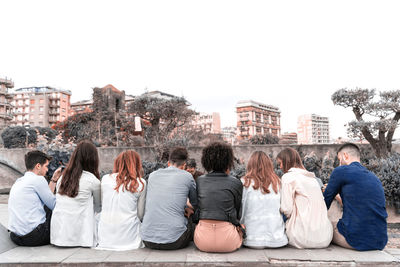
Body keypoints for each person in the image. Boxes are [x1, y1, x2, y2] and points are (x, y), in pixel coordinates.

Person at [323, 143, 388, 251]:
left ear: (345, 156)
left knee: (329, 226)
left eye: (339, 160)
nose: (339, 164)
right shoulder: (373, 177)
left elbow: (324, 204)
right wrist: (338, 197)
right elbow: (359, 204)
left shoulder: (340, 171)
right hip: (380, 241)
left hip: (356, 240)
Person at [140, 147, 197, 250]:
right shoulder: (187, 176)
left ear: (168, 163)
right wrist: (187, 206)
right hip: (175, 241)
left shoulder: (153, 176)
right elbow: (195, 204)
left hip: (147, 239)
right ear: (184, 165)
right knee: (191, 217)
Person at [277, 148, 332, 249]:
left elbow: (286, 209)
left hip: (301, 238)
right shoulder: (313, 179)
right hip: (325, 238)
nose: (280, 167)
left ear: (286, 162)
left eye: (280, 163)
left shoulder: (288, 177)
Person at [194, 142, 244, 253]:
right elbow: (237, 211)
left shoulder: (200, 181)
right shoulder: (235, 182)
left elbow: (197, 206)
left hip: (202, 241)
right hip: (229, 242)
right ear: (228, 161)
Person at [50, 140, 101, 247]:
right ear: (93, 159)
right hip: (79, 238)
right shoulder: (93, 181)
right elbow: (98, 207)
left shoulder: (62, 178)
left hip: (58, 236)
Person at [8, 151, 62, 246]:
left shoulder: (19, 181)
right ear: (38, 166)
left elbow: (46, 198)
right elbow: (54, 205)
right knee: (62, 208)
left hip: (16, 237)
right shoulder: (38, 179)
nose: (47, 170)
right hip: (35, 237)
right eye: (46, 166)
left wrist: (53, 180)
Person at [97, 150, 147, 250]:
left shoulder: (105, 179)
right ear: (137, 164)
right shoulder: (140, 183)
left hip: (105, 237)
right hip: (130, 237)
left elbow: (103, 204)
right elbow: (140, 214)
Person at [240, 151, 288, 248]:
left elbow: (241, 210)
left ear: (250, 164)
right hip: (277, 239)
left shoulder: (245, 182)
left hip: (251, 239)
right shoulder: (278, 182)